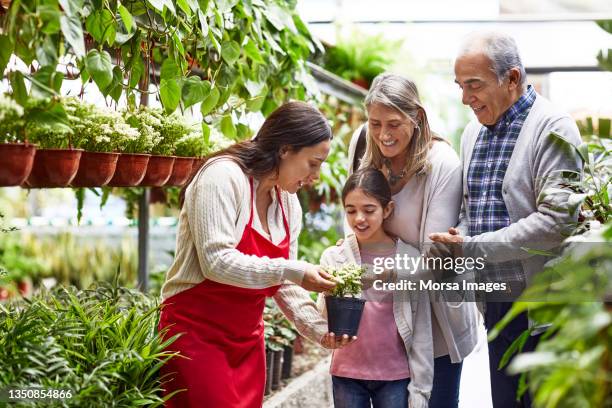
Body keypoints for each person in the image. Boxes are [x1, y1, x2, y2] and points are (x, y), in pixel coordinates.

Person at [158, 101, 353, 408]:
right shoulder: (222, 177)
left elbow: (284, 284)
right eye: (313, 163)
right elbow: (216, 262)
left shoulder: (288, 204)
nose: (315, 176)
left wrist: (321, 331)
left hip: (247, 342)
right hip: (195, 337)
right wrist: (294, 269)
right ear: (285, 149)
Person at [430, 32, 582, 407]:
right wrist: (458, 237)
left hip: (543, 308)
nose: (466, 98)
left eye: (474, 85)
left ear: (512, 78)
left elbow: (556, 220)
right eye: (460, 86)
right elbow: (470, 209)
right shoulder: (472, 133)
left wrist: (473, 247)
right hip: (497, 302)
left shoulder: (553, 127)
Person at [347, 73, 479, 408]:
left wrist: (378, 274)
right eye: (375, 123)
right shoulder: (363, 143)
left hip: (433, 324)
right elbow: (354, 221)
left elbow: (433, 261)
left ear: (416, 118)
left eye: (393, 124)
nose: (383, 135)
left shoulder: (442, 165)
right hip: (379, 319)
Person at [319, 168, 434, 408]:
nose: (359, 218)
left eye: (369, 210)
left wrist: (420, 391)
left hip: (395, 376)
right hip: (347, 373)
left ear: (387, 209)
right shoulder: (334, 257)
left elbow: (421, 328)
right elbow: (323, 314)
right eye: (351, 211)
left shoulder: (409, 258)